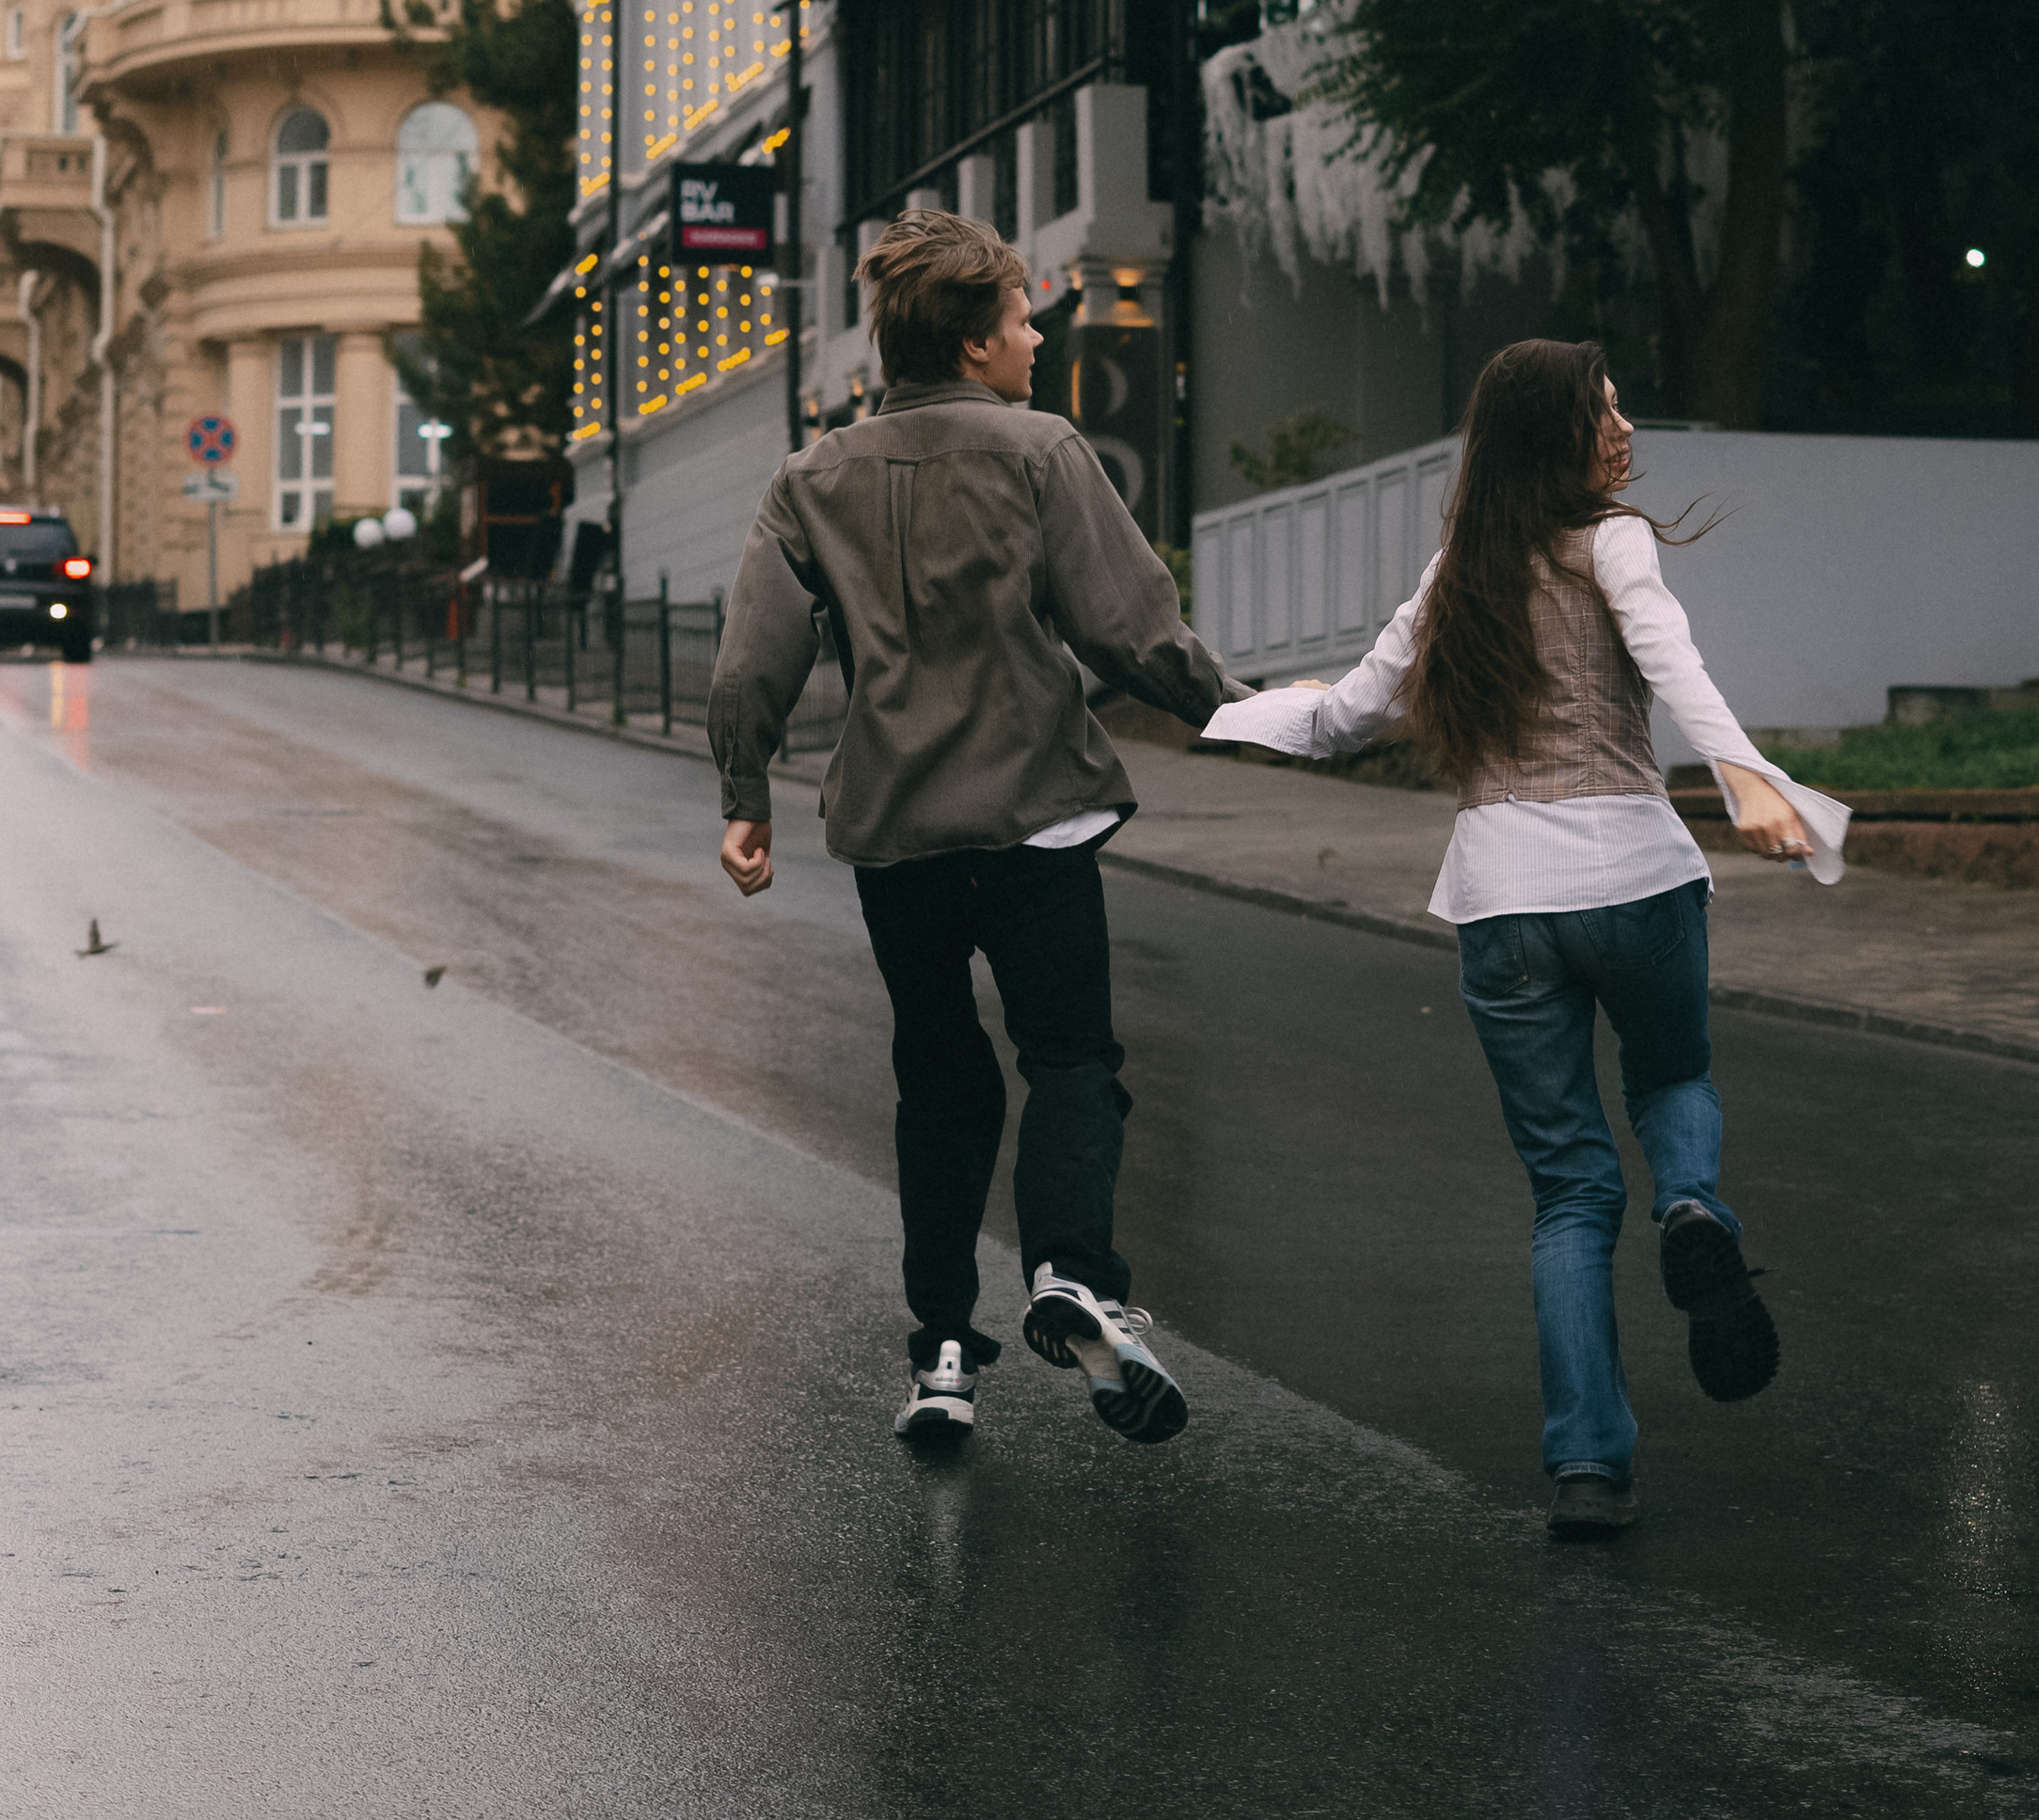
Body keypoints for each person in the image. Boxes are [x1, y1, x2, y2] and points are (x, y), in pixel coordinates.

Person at [1206, 339, 1847, 1539]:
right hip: (1636, 876)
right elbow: (1675, 664)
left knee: (1567, 1193)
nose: (1625, 428)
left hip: (1502, 902)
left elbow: (1341, 721)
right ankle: (1692, 1211)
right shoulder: (1613, 542)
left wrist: (1224, 705)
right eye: (1603, 411)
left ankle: (1588, 1468)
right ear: (1555, 435)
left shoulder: (1455, 574)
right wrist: (1746, 778)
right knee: (1671, 1079)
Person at [708, 210, 1248, 1452]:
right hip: (1035, 815)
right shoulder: (1042, 451)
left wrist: (745, 797)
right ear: (971, 341)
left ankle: (943, 1354)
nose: (1036, 337)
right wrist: (1250, 715)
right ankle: (1071, 1277)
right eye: (1020, 319)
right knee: (1069, 1061)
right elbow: (1131, 631)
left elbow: (751, 662)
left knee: (940, 1085)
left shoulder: (810, 478)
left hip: (897, 831)